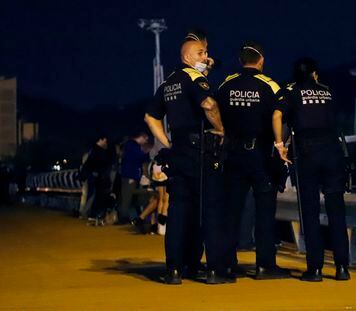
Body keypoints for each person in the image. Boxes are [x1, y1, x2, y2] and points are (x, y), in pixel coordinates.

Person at [144, 39, 227, 285]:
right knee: (207, 208)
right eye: (201, 53)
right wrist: (221, 129)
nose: (206, 56)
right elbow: (208, 104)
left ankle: (174, 270)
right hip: (199, 149)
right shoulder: (193, 78)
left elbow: (150, 117)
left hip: (178, 149)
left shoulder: (168, 82)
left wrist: (166, 142)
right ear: (187, 57)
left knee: (179, 211)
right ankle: (210, 269)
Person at [215, 41, 290, 280]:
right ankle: (264, 265)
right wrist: (280, 146)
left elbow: (213, 112)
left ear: (240, 60)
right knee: (265, 211)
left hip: (232, 155)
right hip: (260, 156)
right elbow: (281, 117)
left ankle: (226, 265)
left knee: (231, 211)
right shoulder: (270, 86)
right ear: (261, 60)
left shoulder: (226, 85)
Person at [273, 57, 350, 282]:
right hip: (333, 151)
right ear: (315, 74)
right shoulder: (328, 92)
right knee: (337, 211)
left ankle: (315, 269)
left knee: (310, 212)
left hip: (307, 153)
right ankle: (342, 267)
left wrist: (280, 145)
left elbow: (278, 115)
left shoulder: (293, 92)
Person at [79, 134, 115, 226]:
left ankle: (89, 214)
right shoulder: (97, 151)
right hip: (96, 177)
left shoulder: (93, 150)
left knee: (92, 195)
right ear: (101, 140)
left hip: (94, 177)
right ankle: (91, 214)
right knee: (94, 196)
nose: (106, 143)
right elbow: (96, 165)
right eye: (105, 141)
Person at [118, 132, 150, 223]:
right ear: (141, 137)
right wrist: (146, 153)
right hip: (130, 175)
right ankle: (123, 218)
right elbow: (140, 157)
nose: (146, 142)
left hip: (129, 175)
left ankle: (125, 217)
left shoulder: (129, 145)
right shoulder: (133, 145)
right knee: (127, 197)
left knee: (127, 197)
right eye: (146, 139)